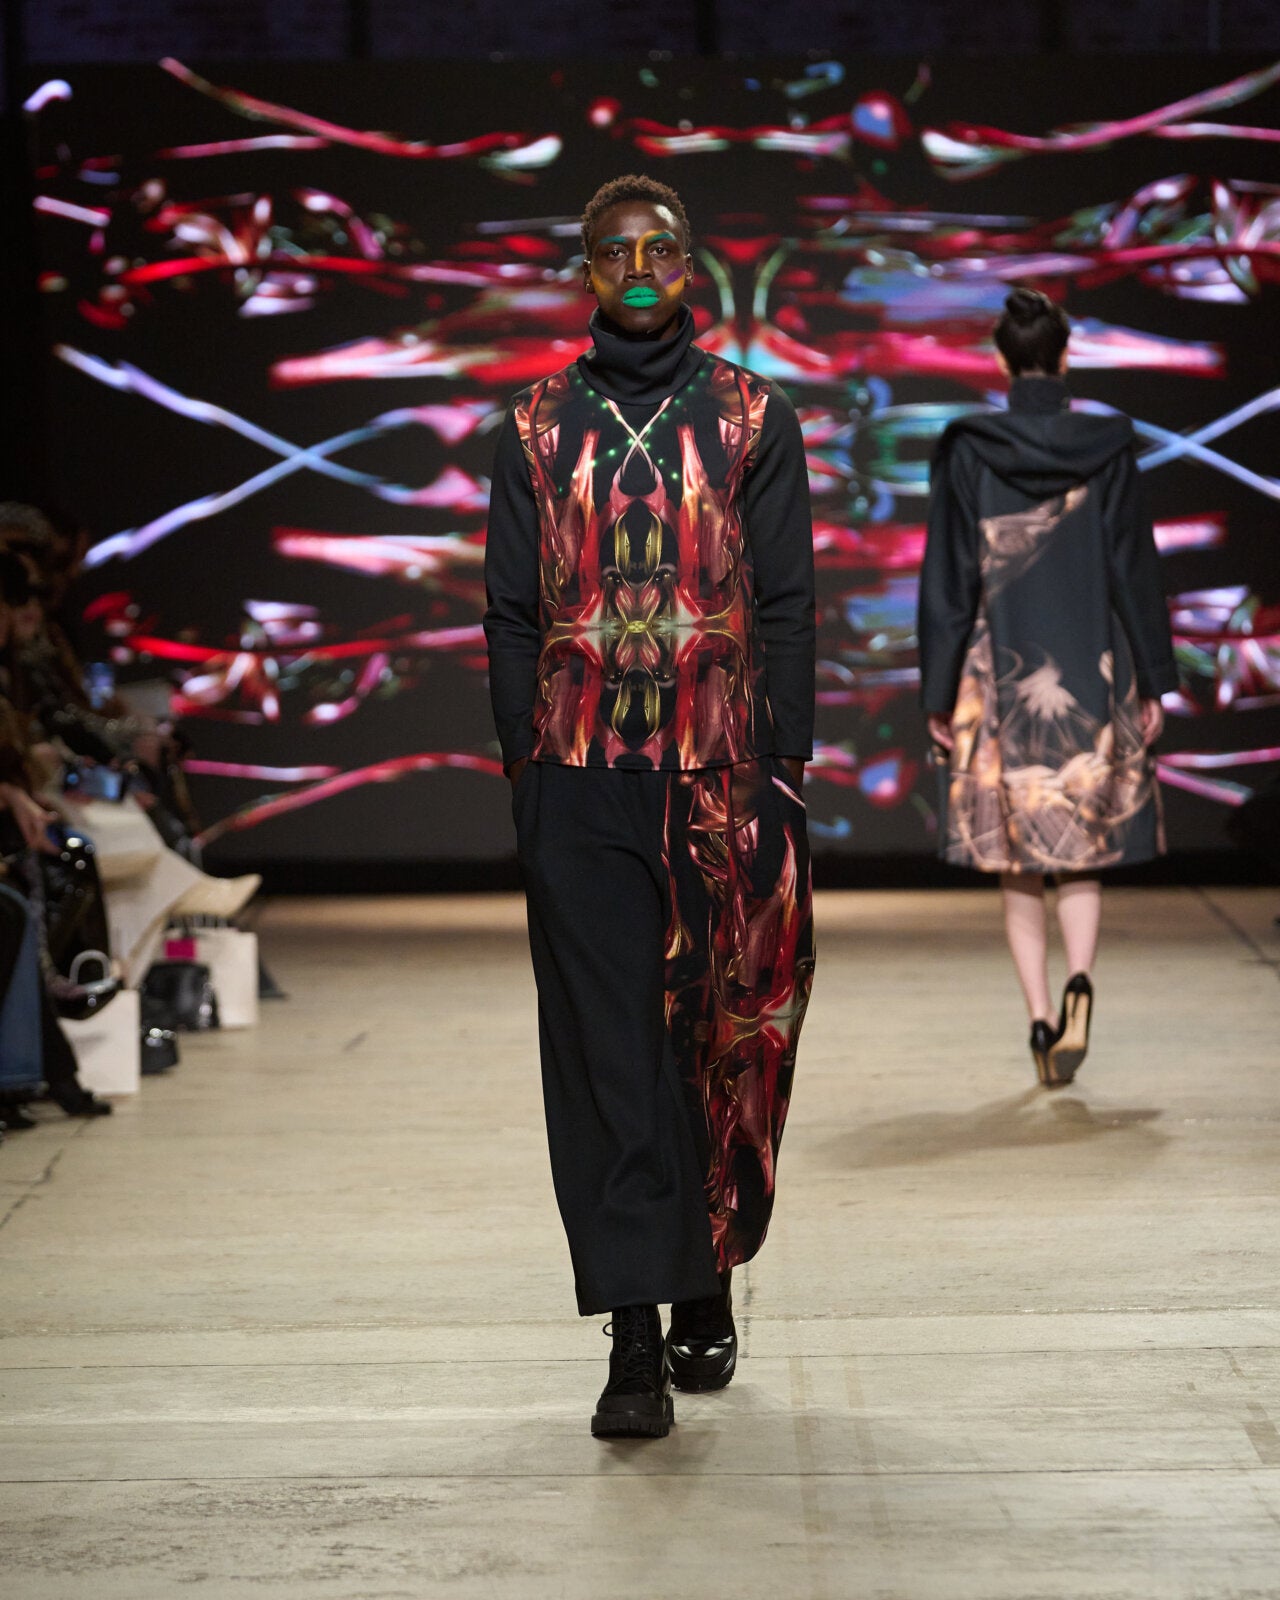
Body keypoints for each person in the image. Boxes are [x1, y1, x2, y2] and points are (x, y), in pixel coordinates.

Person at [484, 174, 816, 1438]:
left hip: (724, 773)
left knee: (723, 1039)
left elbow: (785, 602)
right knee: (605, 1051)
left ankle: (706, 1273)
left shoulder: (749, 414)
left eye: (658, 248)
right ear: (584, 269)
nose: (636, 268)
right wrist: (525, 775)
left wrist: (785, 769)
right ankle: (632, 1335)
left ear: (689, 264)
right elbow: (507, 615)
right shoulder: (532, 424)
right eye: (612, 251)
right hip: (577, 778)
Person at [918, 287, 1177, 1087]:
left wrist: (938, 692)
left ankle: (1039, 1020)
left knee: (1018, 860)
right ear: (1065, 356)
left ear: (1002, 360)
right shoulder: (1108, 446)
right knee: (1084, 846)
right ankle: (1080, 985)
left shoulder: (968, 449)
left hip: (1000, 674)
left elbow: (950, 578)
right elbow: (1132, 566)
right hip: (1092, 667)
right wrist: (1153, 678)